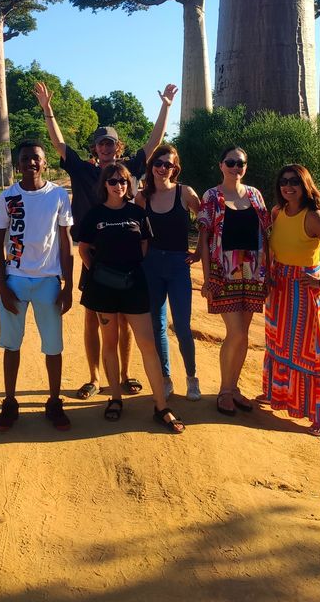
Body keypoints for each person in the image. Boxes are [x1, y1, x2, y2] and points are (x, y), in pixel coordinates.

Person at [33, 80, 178, 401]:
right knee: (92, 319)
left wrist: (166, 107)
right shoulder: (83, 170)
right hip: (93, 253)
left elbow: (154, 143)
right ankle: (94, 377)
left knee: (124, 318)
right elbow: (58, 144)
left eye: (110, 143)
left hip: (125, 254)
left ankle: (126, 375)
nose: (105, 148)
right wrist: (47, 110)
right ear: (95, 148)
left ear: (118, 147)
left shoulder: (128, 171)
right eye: (100, 144)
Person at [77, 162, 184, 432]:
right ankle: (114, 398)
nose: (119, 185)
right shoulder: (94, 215)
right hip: (103, 289)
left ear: (129, 184)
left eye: (123, 181)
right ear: (104, 185)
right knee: (109, 343)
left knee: (147, 343)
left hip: (134, 285)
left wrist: (128, 270)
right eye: (113, 181)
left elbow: (144, 245)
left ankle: (161, 406)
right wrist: (101, 273)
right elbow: (84, 249)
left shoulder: (137, 212)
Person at [0, 141, 74, 432]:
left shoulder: (58, 196)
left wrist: (67, 285)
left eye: (36, 158)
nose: (31, 163)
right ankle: (10, 401)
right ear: (18, 164)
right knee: (11, 345)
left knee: (53, 347)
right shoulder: (7, 197)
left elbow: (66, 243)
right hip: (15, 280)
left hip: (48, 282)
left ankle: (53, 402)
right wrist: (2, 285)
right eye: (25, 159)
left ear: (45, 162)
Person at [264, 165, 320, 437]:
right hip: (279, 287)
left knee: (312, 351)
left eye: (294, 182)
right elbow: (271, 245)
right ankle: (280, 395)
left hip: (305, 289)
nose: (288, 186)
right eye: (283, 182)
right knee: (280, 343)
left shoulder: (312, 216)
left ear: (305, 186)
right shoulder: (277, 212)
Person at [197, 146, 270, 417]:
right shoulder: (212, 196)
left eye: (240, 164)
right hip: (224, 272)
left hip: (253, 271)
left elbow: (266, 234)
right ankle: (225, 391)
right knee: (236, 333)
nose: (235, 167)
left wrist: (269, 272)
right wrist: (207, 279)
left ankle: (234, 387)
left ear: (245, 167)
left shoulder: (255, 195)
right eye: (230, 162)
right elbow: (204, 240)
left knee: (244, 336)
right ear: (221, 165)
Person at [136, 145, 202, 400]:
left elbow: (207, 221)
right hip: (151, 264)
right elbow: (136, 232)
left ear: (176, 169)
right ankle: (165, 378)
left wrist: (198, 252)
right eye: (159, 163)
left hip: (178, 265)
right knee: (157, 325)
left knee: (183, 326)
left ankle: (191, 377)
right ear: (152, 165)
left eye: (169, 165)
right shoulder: (142, 197)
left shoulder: (185, 193)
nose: (163, 168)